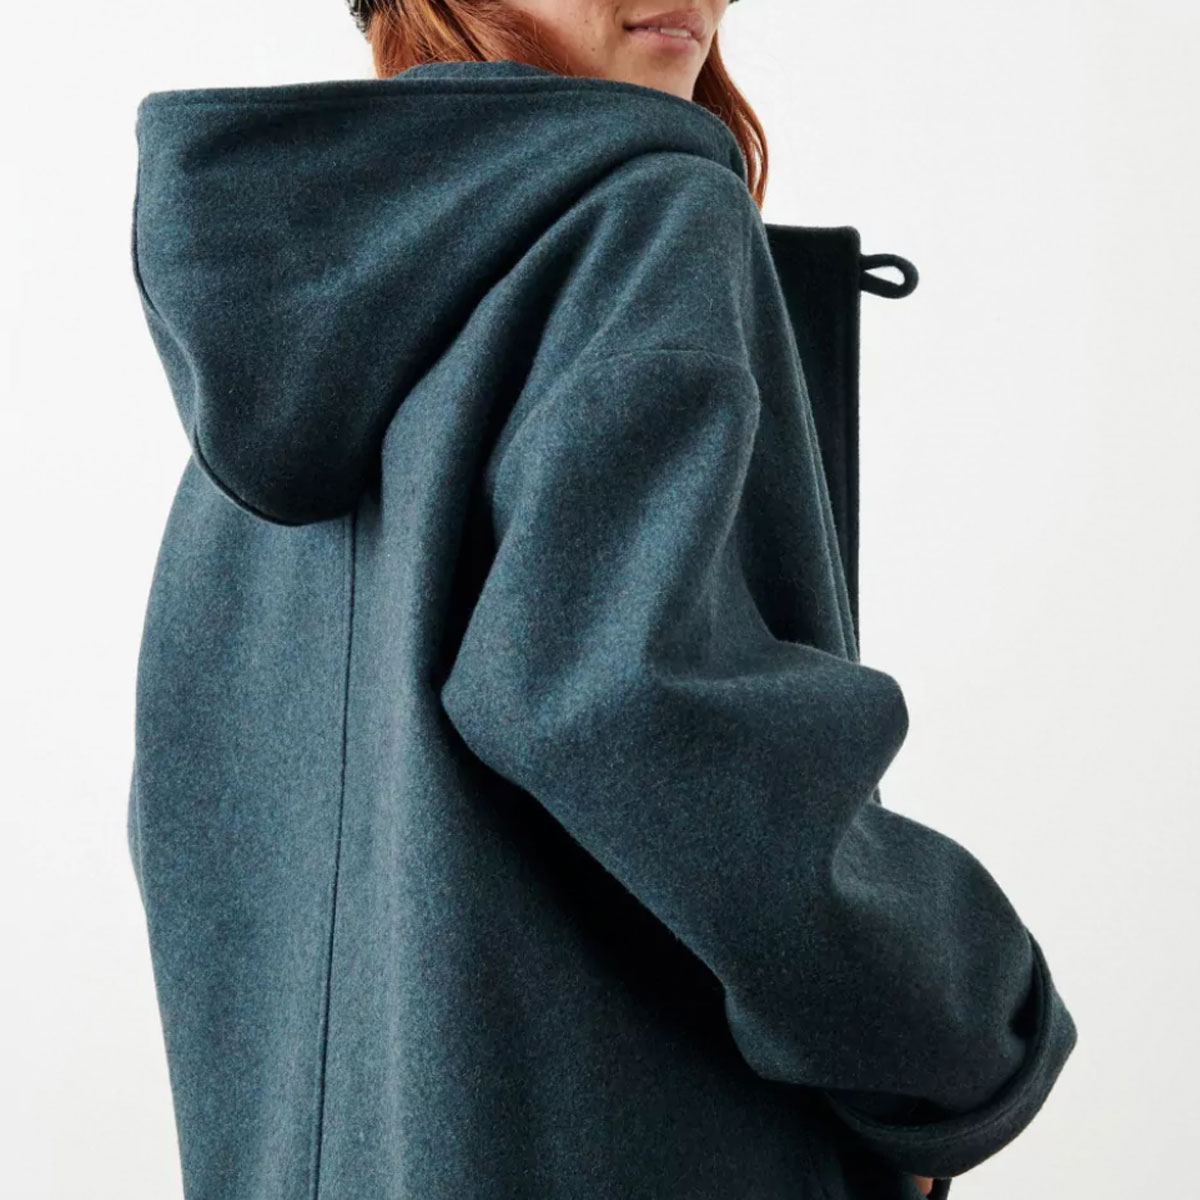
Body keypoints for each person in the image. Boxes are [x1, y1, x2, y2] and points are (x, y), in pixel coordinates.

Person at [125, 2, 1077, 1198]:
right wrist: (955, 1031)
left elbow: (201, 831)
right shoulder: (644, 218)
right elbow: (619, 701)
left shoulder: (283, 329)